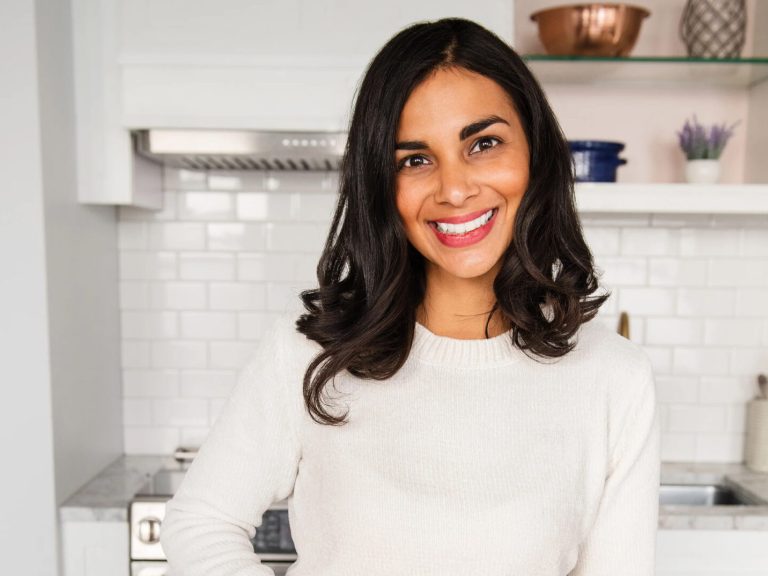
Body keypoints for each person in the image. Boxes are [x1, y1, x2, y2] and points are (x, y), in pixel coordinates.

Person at [160, 17, 660, 576]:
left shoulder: (615, 376)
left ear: (535, 154)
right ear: (381, 182)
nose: (454, 188)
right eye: (415, 160)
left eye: (483, 143)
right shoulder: (314, 352)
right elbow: (200, 523)